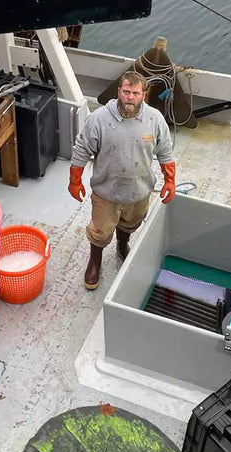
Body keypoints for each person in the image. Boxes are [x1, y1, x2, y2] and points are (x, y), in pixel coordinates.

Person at [68, 70, 176, 290]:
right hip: (106, 193)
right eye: (126, 91)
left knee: (132, 221)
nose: (130, 97)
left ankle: (122, 244)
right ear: (119, 91)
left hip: (139, 191)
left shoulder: (155, 119)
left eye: (135, 93)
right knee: (100, 230)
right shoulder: (98, 119)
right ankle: (95, 261)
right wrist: (75, 181)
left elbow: (165, 151)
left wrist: (170, 181)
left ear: (144, 94)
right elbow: (81, 151)